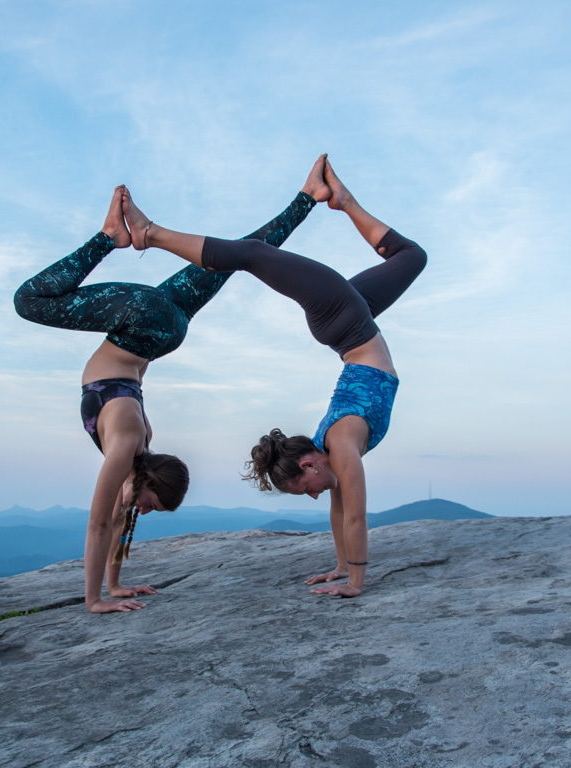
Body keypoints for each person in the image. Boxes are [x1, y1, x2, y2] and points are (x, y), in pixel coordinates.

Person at [13, 159, 330, 612]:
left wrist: (113, 588)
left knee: (242, 256)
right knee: (28, 300)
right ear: (150, 480)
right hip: (146, 323)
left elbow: (116, 520)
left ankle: (308, 198)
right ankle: (111, 237)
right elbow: (100, 525)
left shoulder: (135, 450)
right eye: (152, 504)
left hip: (164, 324)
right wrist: (94, 600)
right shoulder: (126, 444)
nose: (144, 509)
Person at [121, 155, 427, 599]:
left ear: (308, 465)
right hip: (353, 324)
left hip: (344, 317)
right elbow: (344, 513)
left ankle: (148, 232)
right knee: (412, 256)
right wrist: (342, 570)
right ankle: (339, 200)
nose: (316, 496)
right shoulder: (337, 450)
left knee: (252, 254)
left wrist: (355, 581)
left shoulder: (340, 447)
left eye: (305, 490)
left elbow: (353, 517)